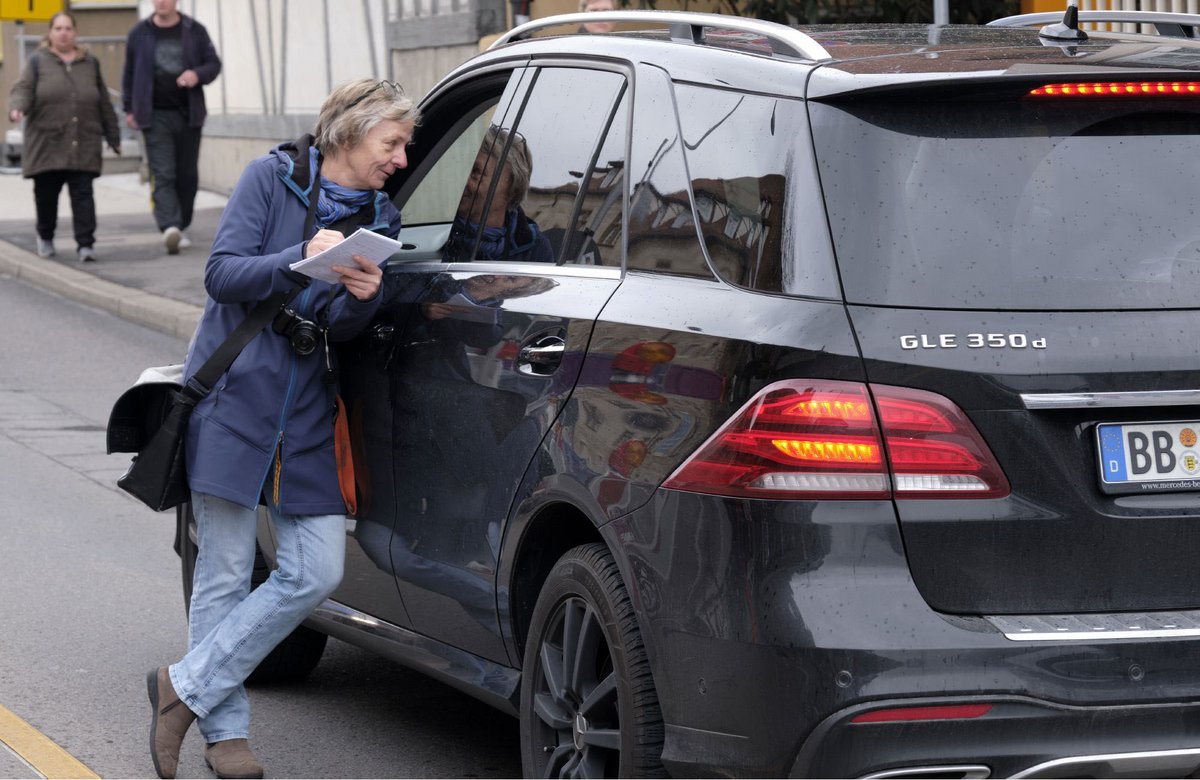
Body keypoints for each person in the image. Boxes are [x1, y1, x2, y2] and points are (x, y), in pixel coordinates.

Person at [144, 79, 418, 780]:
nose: (402, 157)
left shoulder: (382, 216)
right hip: (235, 398)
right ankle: (226, 731)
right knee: (227, 570)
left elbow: (345, 331)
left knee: (317, 569)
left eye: (405, 144)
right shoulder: (271, 178)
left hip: (304, 415)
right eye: (393, 142)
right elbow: (221, 275)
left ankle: (184, 684)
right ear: (352, 134)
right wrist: (297, 263)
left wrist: (363, 298)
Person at [7, 12, 120, 263]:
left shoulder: (89, 63)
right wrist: (17, 108)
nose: (63, 33)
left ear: (75, 33)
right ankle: (45, 236)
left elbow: (102, 101)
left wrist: (113, 135)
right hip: (47, 144)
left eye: (68, 28)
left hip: (83, 142)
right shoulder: (37, 61)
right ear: (50, 33)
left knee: (83, 196)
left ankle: (86, 244)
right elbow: (23, 89)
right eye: (58, 28)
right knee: (47, 196)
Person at [121, 0, 221, 255]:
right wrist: (129, 108)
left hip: (188, 115)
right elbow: (129, 73)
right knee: (163, 172)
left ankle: (182, 223)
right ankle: (170, 226)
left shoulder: (194, 30)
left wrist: (196, 74)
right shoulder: (139, 32)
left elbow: (213, 64)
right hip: (154, 116)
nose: (161, 2)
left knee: (187, 175)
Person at [444, 126, 554, 264]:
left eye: (476, 172)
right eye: (462, 168)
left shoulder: (535, 250)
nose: (463, 180)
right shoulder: (436, 234)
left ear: (513, 189)